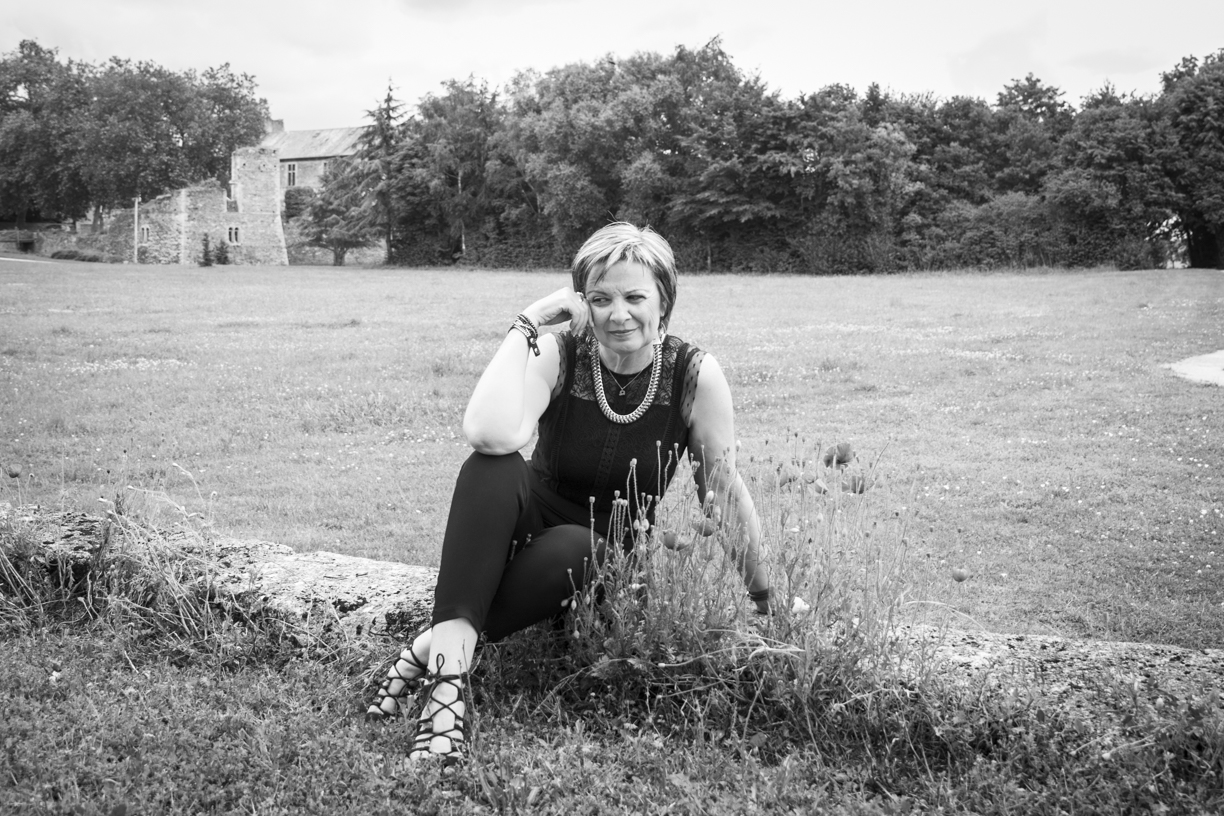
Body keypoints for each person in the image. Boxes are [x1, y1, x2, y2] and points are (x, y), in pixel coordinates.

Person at [365, 222, 772, 765]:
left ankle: (427, 649)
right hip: (526, 524)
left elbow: (720, 489)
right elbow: (491, 433)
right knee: (492, 466)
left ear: (664, 302)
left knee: (581, 544)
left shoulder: (693, 375)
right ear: (582, 302)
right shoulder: (562, 353)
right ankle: (446, 698)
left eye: (634, 297)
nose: (617, 313)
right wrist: (526, 325)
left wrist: (766, 597)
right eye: (600, 298)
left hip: (601, 555)